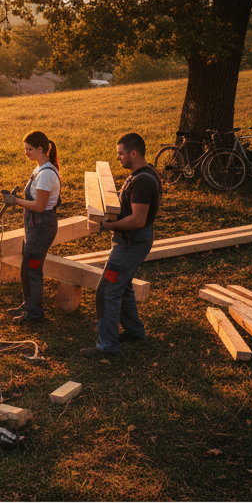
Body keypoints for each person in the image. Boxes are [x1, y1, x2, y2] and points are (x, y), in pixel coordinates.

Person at [80, 132, 162, 360]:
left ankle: (107, 347)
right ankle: (135, 333)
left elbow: (138, 220)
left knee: (107, 292)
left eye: (121, 153)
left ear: (133, 153)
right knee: (123, 288)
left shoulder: (143, 181)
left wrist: (105, 226)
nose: (118, 158)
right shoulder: (141, 175)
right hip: (131, 243)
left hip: (130, 245)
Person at [5, 131, 61, 325]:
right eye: (25, 149)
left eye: (30, 149)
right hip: (34, 224)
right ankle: (29, 305)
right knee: (26, 268)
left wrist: (16, 201)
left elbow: (39, 206)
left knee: (33, 269)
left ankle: (35, 315)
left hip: (41, 226)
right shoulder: (40, 169)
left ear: (40, 149)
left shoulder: (46, 174)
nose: (26, 152)